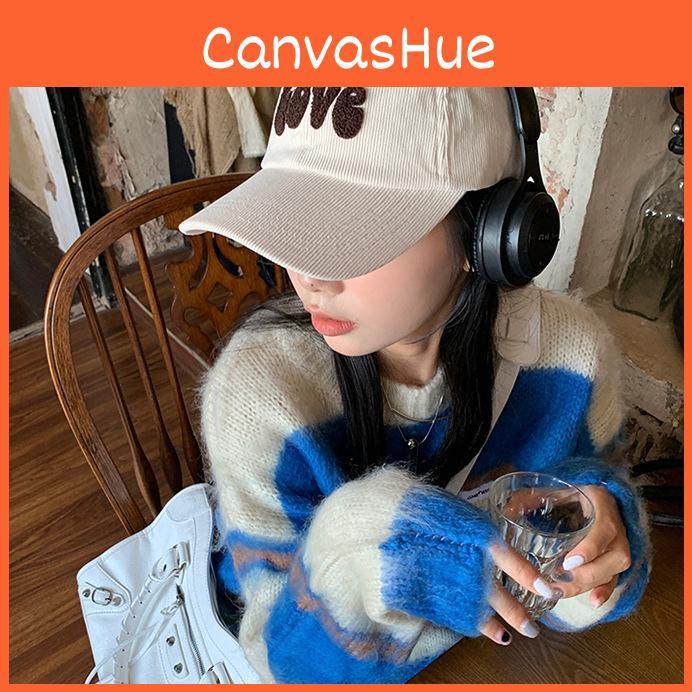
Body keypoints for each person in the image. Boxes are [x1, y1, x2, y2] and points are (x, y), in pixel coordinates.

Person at [179, 87, 652, 684]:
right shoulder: (260, 391)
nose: (310, 274)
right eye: (291, 223)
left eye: (356, 230)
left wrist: (603, 544)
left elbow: (586, 565)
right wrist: (359, 552)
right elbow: (286, 665)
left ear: (488, 232)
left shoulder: (572, 357)